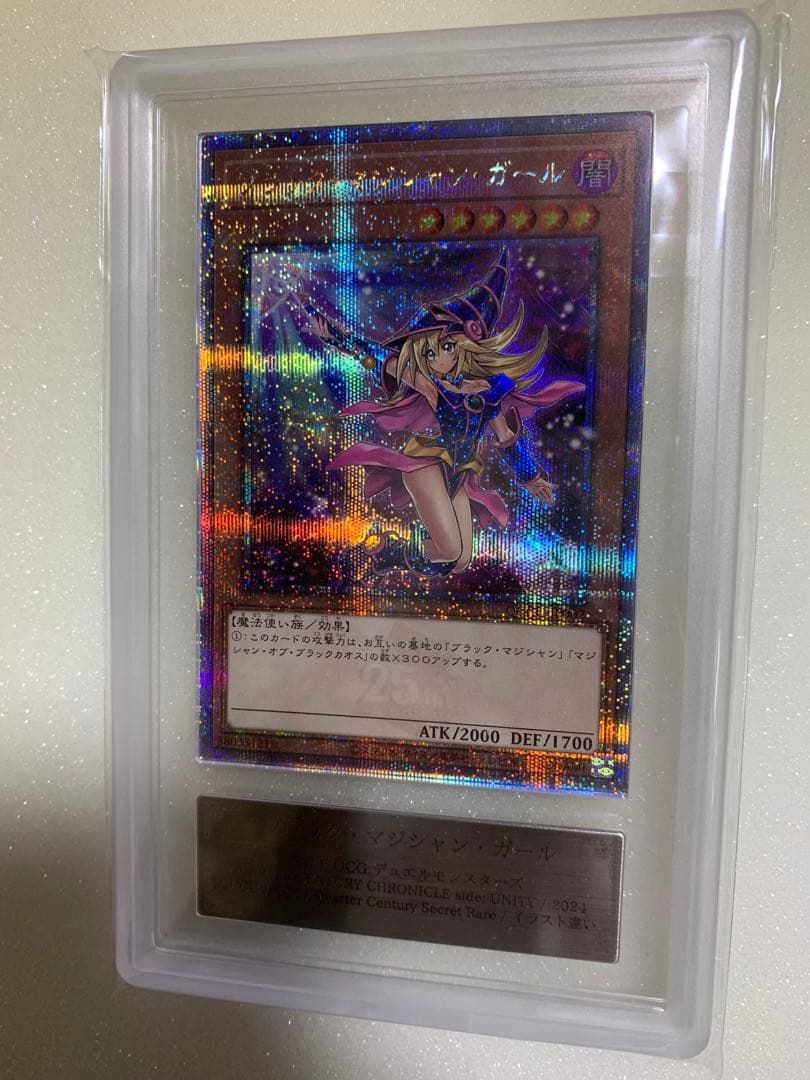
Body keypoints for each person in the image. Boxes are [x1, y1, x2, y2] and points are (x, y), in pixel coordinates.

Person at [308, 251, 584, 577]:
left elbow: (506, 437)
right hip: (425, 463)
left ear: (466, 345)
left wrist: (530, 476)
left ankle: (389, 552)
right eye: (428, 352)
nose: (438, 358)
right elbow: (379, 358)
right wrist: (338, 338)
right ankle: (389, 549)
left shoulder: (490, 389)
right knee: (451, 549)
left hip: (458, 472)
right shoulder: (432, 386)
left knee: (459, 561)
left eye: (447, 346)